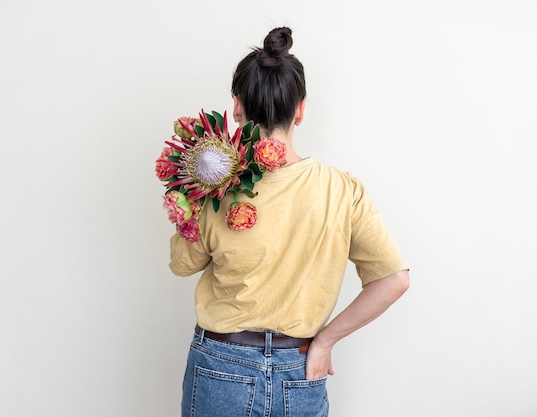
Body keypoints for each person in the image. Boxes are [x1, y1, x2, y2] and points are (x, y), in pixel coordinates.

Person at [168, 26, 410, 417]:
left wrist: (188, 197)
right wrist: (326, 341)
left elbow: (182, 265)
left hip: (220, 367)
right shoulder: (342, 189)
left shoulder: (217, 189)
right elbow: (394, 279)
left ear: (236, 107)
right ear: (300, 109)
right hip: (301, 367)